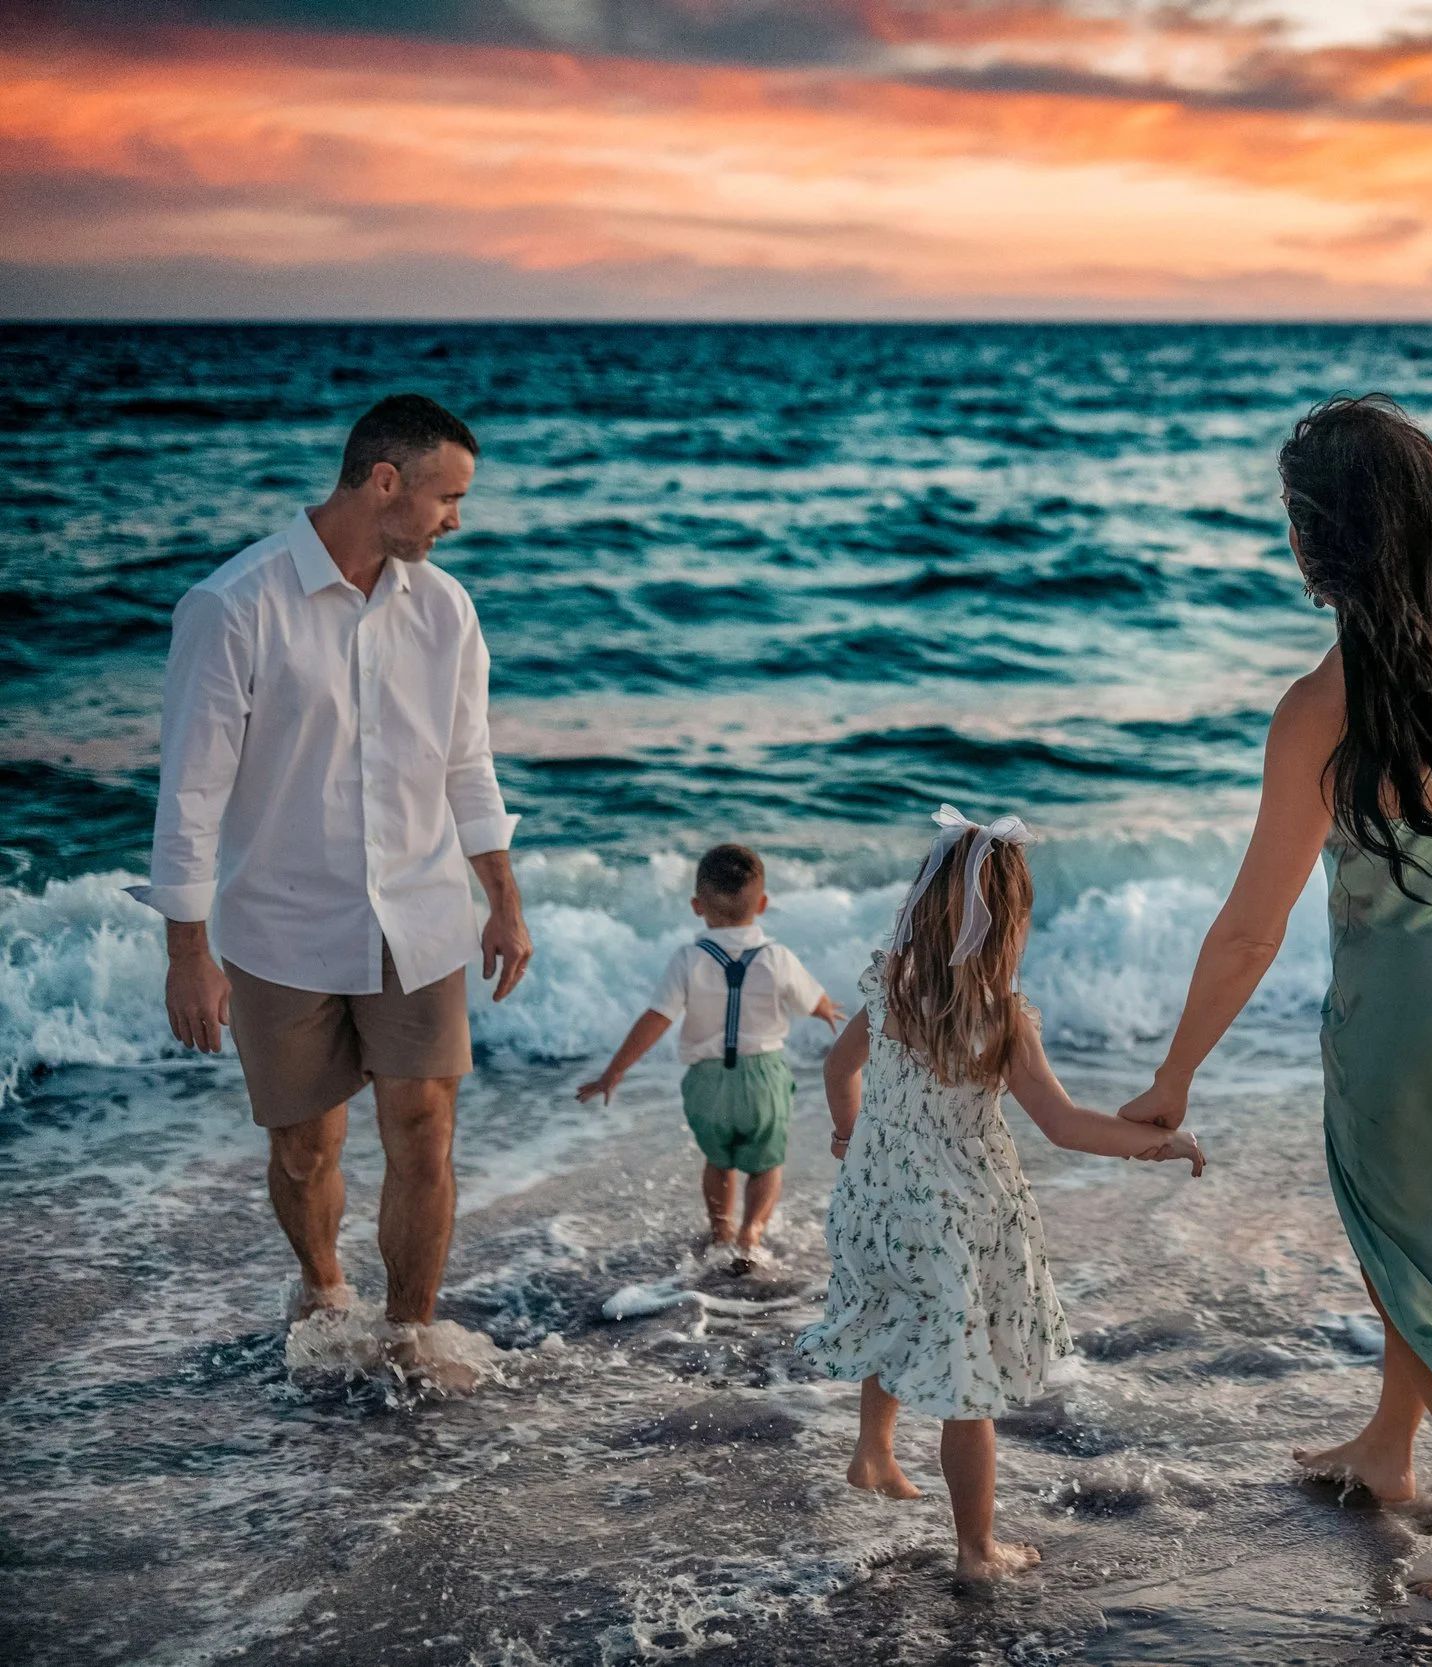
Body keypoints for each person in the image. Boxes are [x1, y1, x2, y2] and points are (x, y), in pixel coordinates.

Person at [1118, 395, 1432, 1607]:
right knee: (1428, 1216)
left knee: (1402, 1237)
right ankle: (1388, 1448)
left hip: (1408, 992)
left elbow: (1247, 929)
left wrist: (1173, 1073)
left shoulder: (1317, 708)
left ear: (1320, 542)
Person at [135, 392, 533, 1391]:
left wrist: (505, 898)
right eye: (448, 497)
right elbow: (189, 789)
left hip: (422, 915)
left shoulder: (445, 610)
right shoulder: (234, 605)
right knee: (308, 1145)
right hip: (281, 927)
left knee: (423, 1126)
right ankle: (322, 1287)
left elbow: (468, 764)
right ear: (384, 482)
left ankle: (410, 1335)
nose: (457, 519)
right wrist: (189, 952)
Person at [796, 806, 1207, 1581]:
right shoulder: (1002, 1020)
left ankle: (873, 1452)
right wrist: (1157, 1141)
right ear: (1007, 922)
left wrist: (852, 1136)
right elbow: (1064, 1124)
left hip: (875, 1205)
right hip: (957, 1217)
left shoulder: (891, 986)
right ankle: (978, 1550)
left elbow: (834, 1069)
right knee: (966, 1385)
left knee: (892, 1308)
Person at [575, 843, 844, 1271]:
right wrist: (827, 1010)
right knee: (766, 1164)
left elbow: (656, 1019)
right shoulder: (777, 957)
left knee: (719, 1162)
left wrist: (614, 1072)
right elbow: (812, 1000)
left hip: (706, 1082)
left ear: (697, 905)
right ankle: (750, 1233)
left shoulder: (688, 959)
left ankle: (720, 1230)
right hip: (765, 1080)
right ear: (763, 903)